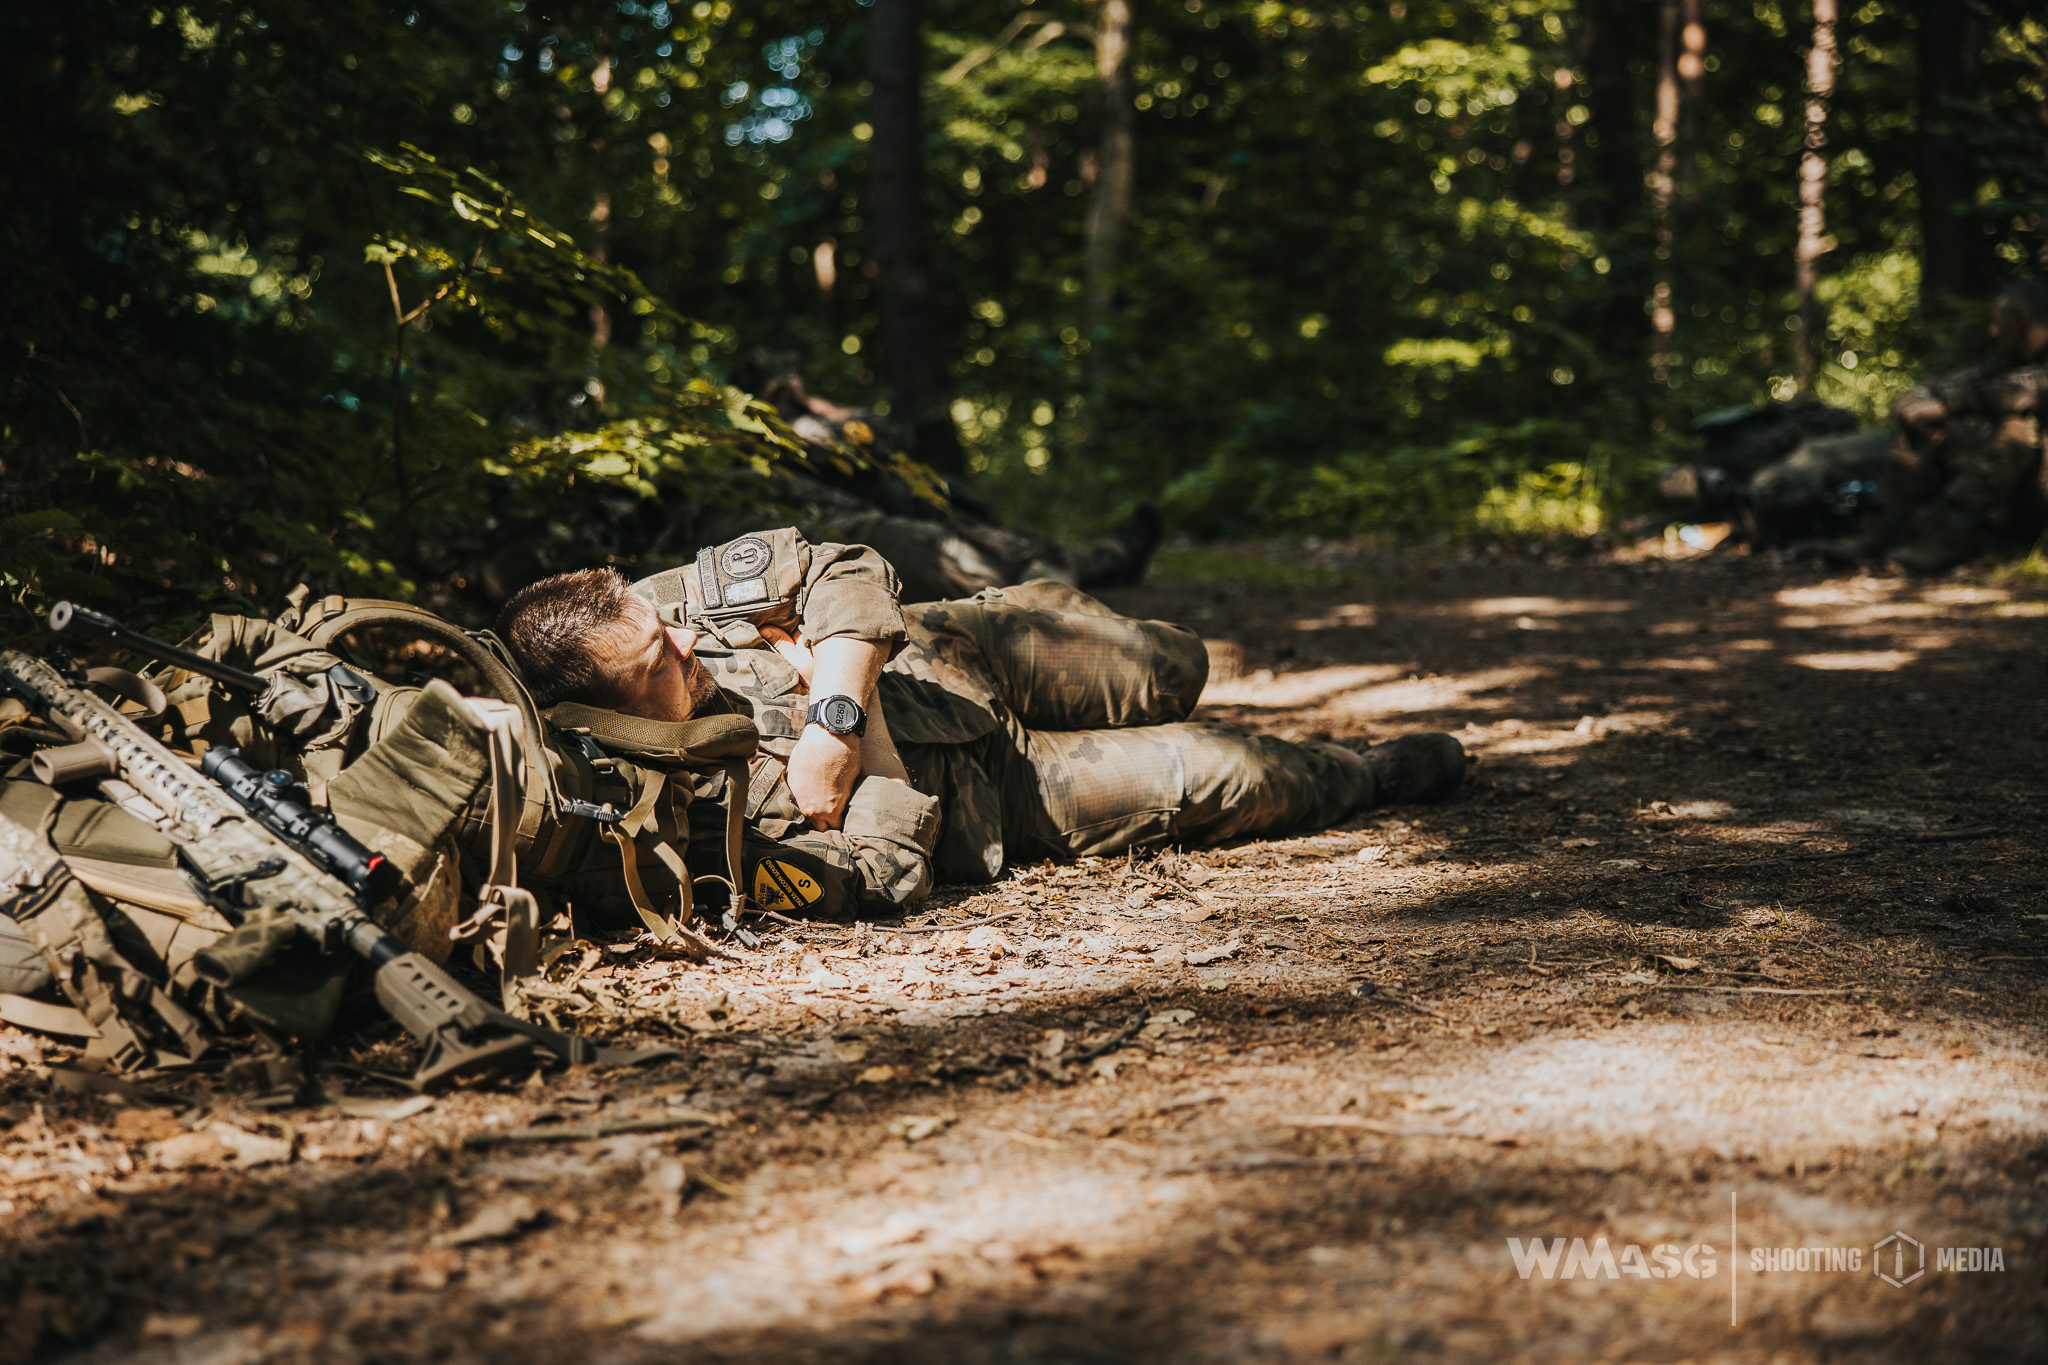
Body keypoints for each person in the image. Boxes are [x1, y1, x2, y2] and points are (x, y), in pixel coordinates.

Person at [497, 530, 1465, 918]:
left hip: (960, 651)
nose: (685, 646)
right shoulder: (673, 836)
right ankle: (1364, 772)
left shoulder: (651, 610)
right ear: (605, 718)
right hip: (999, 794)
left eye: (667, 627)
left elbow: (841, 565)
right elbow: (881, 877)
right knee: (1228, 776)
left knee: (1178, 662)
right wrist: (865, 728)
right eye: (660, 666)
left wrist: (835, 712)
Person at [722, 350, 1162, 602]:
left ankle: (1108, 558)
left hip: (921, 507)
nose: (793, 391)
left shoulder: (816, 421)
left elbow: (894, 436)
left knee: (1017, 546)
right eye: (783, 386)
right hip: (895, 527)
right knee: (1012, 558)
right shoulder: (778, 440)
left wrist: (822, 406)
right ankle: (1107, 562)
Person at [1842, 279, 2048, 573]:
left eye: (1998, 322)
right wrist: (1918, 411)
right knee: (1926, 419)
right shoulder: (2008, 364)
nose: (1993, 331)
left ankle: (1954, 534)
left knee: (2018, 425)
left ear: (2022, 321)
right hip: (2016, 499)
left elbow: (2026, 392)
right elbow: (1929, 389)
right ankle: (1883, 530)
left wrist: (1946, 404)